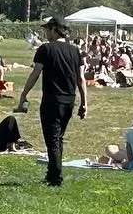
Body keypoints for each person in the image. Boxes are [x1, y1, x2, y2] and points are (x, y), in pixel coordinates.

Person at [15, 17, 88, 187]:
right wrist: (85, 103)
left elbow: (35, 74)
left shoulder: (45, 49)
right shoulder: (75, 51)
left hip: (52, 101)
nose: (46, 33)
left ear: (55, 29)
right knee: (58, 138)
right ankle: (52, 173)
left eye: (48, 29)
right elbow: (81, 79)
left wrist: (23, 94)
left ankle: (56, 179)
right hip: (69, 101)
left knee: (53, 140)